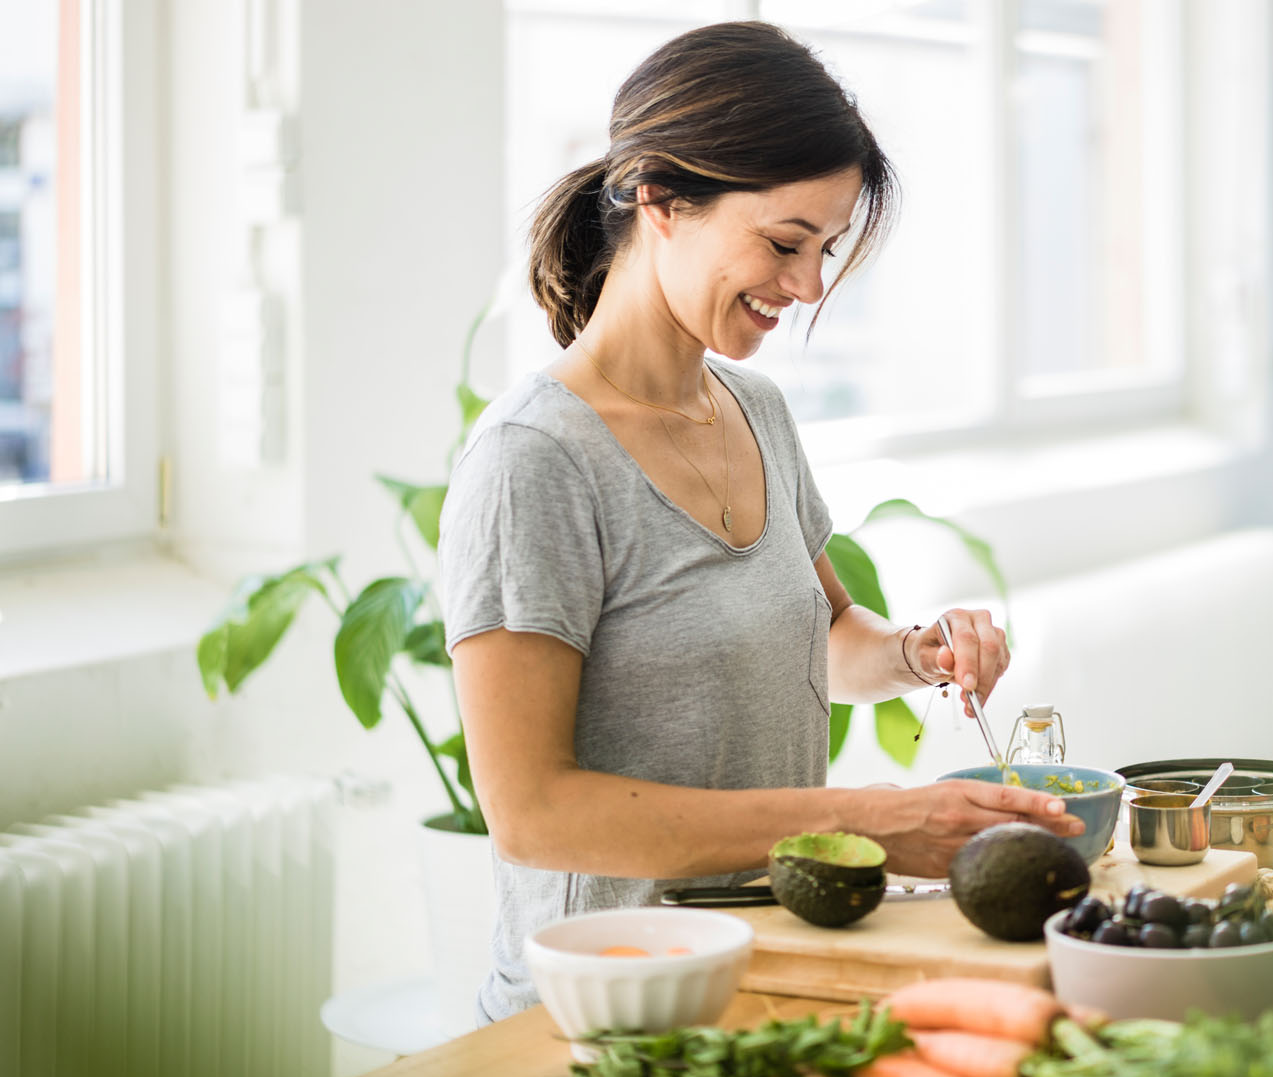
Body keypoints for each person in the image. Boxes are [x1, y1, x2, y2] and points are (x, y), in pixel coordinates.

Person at [439, 21, 1082, 1023]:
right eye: (786, 243)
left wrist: (917, 652)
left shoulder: (758, 411)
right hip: (607, 1010)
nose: (810, 286)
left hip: (768, 969)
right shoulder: (535, 461)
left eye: (825, 250)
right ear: (658, 197)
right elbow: (534, 813)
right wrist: (869, 819)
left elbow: (825, 641)